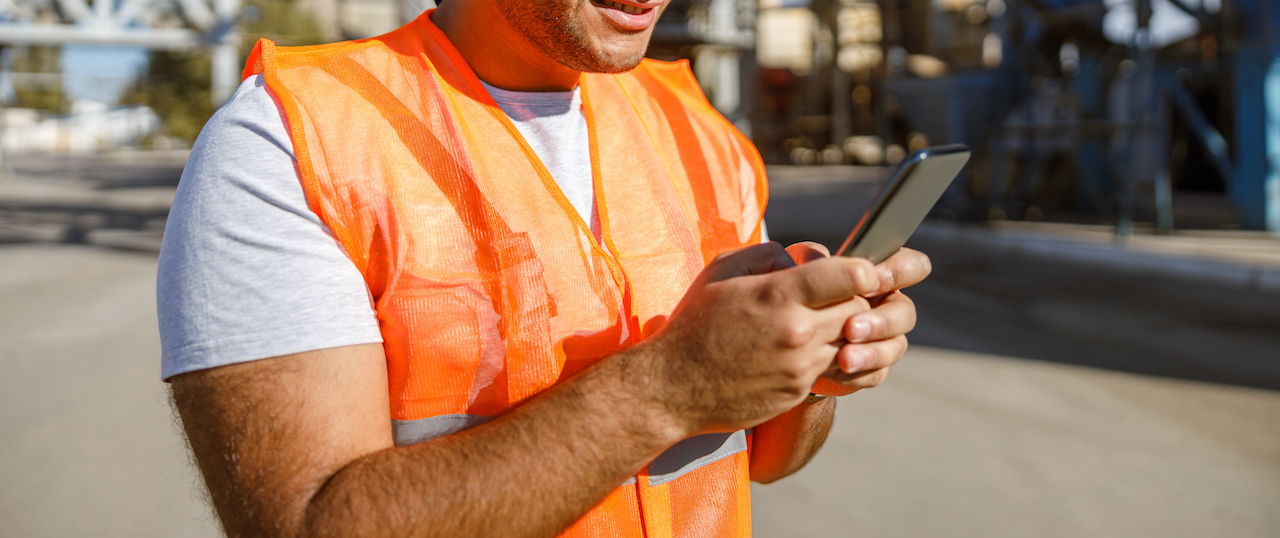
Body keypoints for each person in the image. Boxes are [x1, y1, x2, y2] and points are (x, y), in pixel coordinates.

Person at [158, 0, 931, 536]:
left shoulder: (703, 135)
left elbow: (767, 459)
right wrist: (666, 390)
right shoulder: (292, 141)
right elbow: (304, 524)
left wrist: (818, 368)